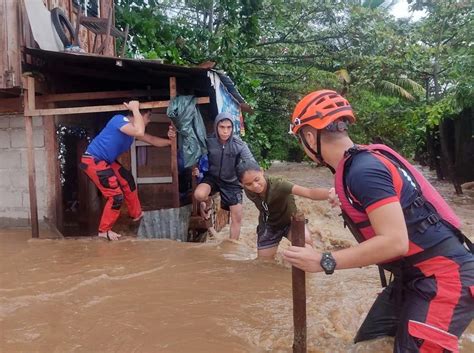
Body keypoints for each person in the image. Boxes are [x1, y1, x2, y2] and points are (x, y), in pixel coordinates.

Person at [282, 90, 474, 352]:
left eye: (301, 140)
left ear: (308, 135)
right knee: (369, 345)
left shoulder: (363, 171)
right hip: (413, 276)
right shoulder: (357, 167)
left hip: (445, 278)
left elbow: (395, 242)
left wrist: (324, 261)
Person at [80, 100, 175, 241]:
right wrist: (135, 108)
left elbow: (152, 139)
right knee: (116, 196)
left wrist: (171, 142)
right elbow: (140, 130)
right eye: (148, 117)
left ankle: (136, 215)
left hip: (106, 161)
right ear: (141, 116)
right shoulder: (119, 120)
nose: (148, 121)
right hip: (93, 160)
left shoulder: (131, 130)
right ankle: (103, 231)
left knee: (128, 181)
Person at [237, 159, 334, 259]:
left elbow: (309, 193)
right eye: (248, 184)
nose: (255, 186)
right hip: (269, 225)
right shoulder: (247, 190)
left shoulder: (279, 184)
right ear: (242, 184)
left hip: (291, 222)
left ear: (262, 171)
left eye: (257, 179)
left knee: (306, 243)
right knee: (264, 262)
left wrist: (333, 193)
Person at [193, 112, 255, 240]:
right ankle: (207, 203)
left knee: (237, 217)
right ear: (216, 126)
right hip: (212, 178)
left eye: (229, 127)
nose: (225, 131)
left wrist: (249, 181)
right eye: (222, 127)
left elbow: (251, 163)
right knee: (199, 194)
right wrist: (195, 169)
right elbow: (193, 152)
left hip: (232, 181)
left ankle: (232, 248)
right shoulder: (208, 141)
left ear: (232, 128)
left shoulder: (239, 144)